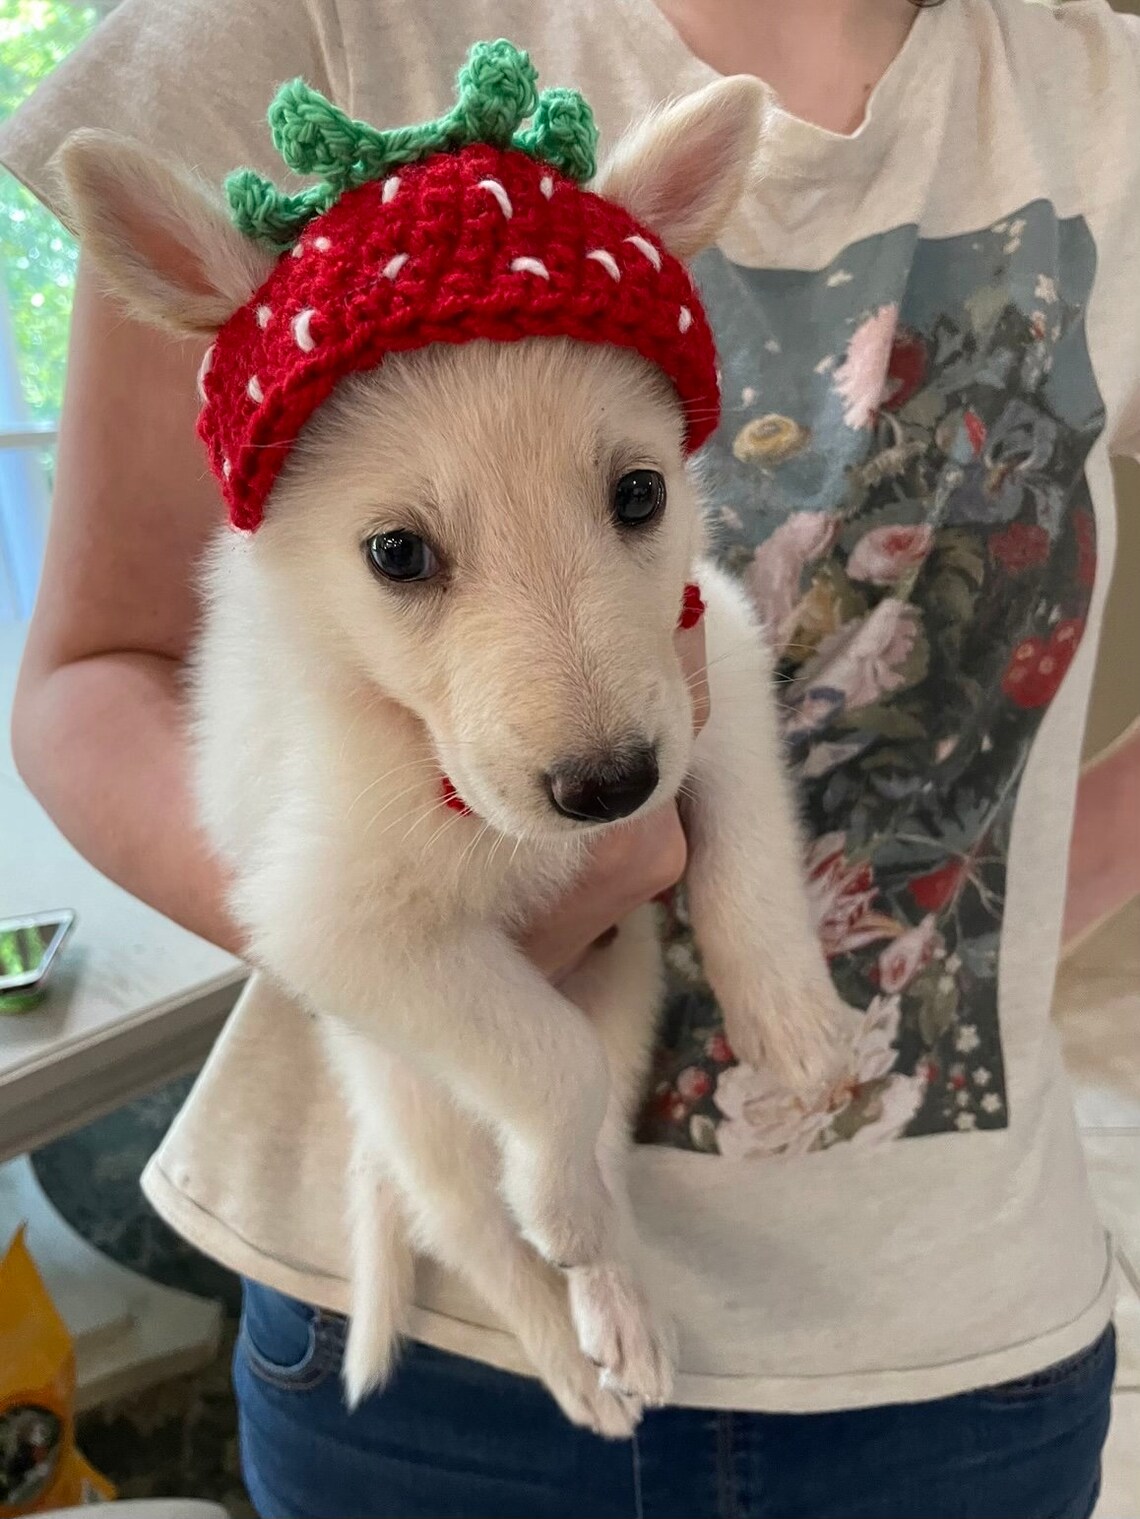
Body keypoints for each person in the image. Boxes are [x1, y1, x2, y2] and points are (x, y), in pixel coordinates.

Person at [3, 0, 1139, 1513]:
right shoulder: (291, 23)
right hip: (438, 1373)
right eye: (406, 553)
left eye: (634, 496)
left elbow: (711, 647)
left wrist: (1009, 905)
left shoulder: (1101, 87)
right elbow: (96, 671)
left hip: (967, 1358)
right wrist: (422, 927)